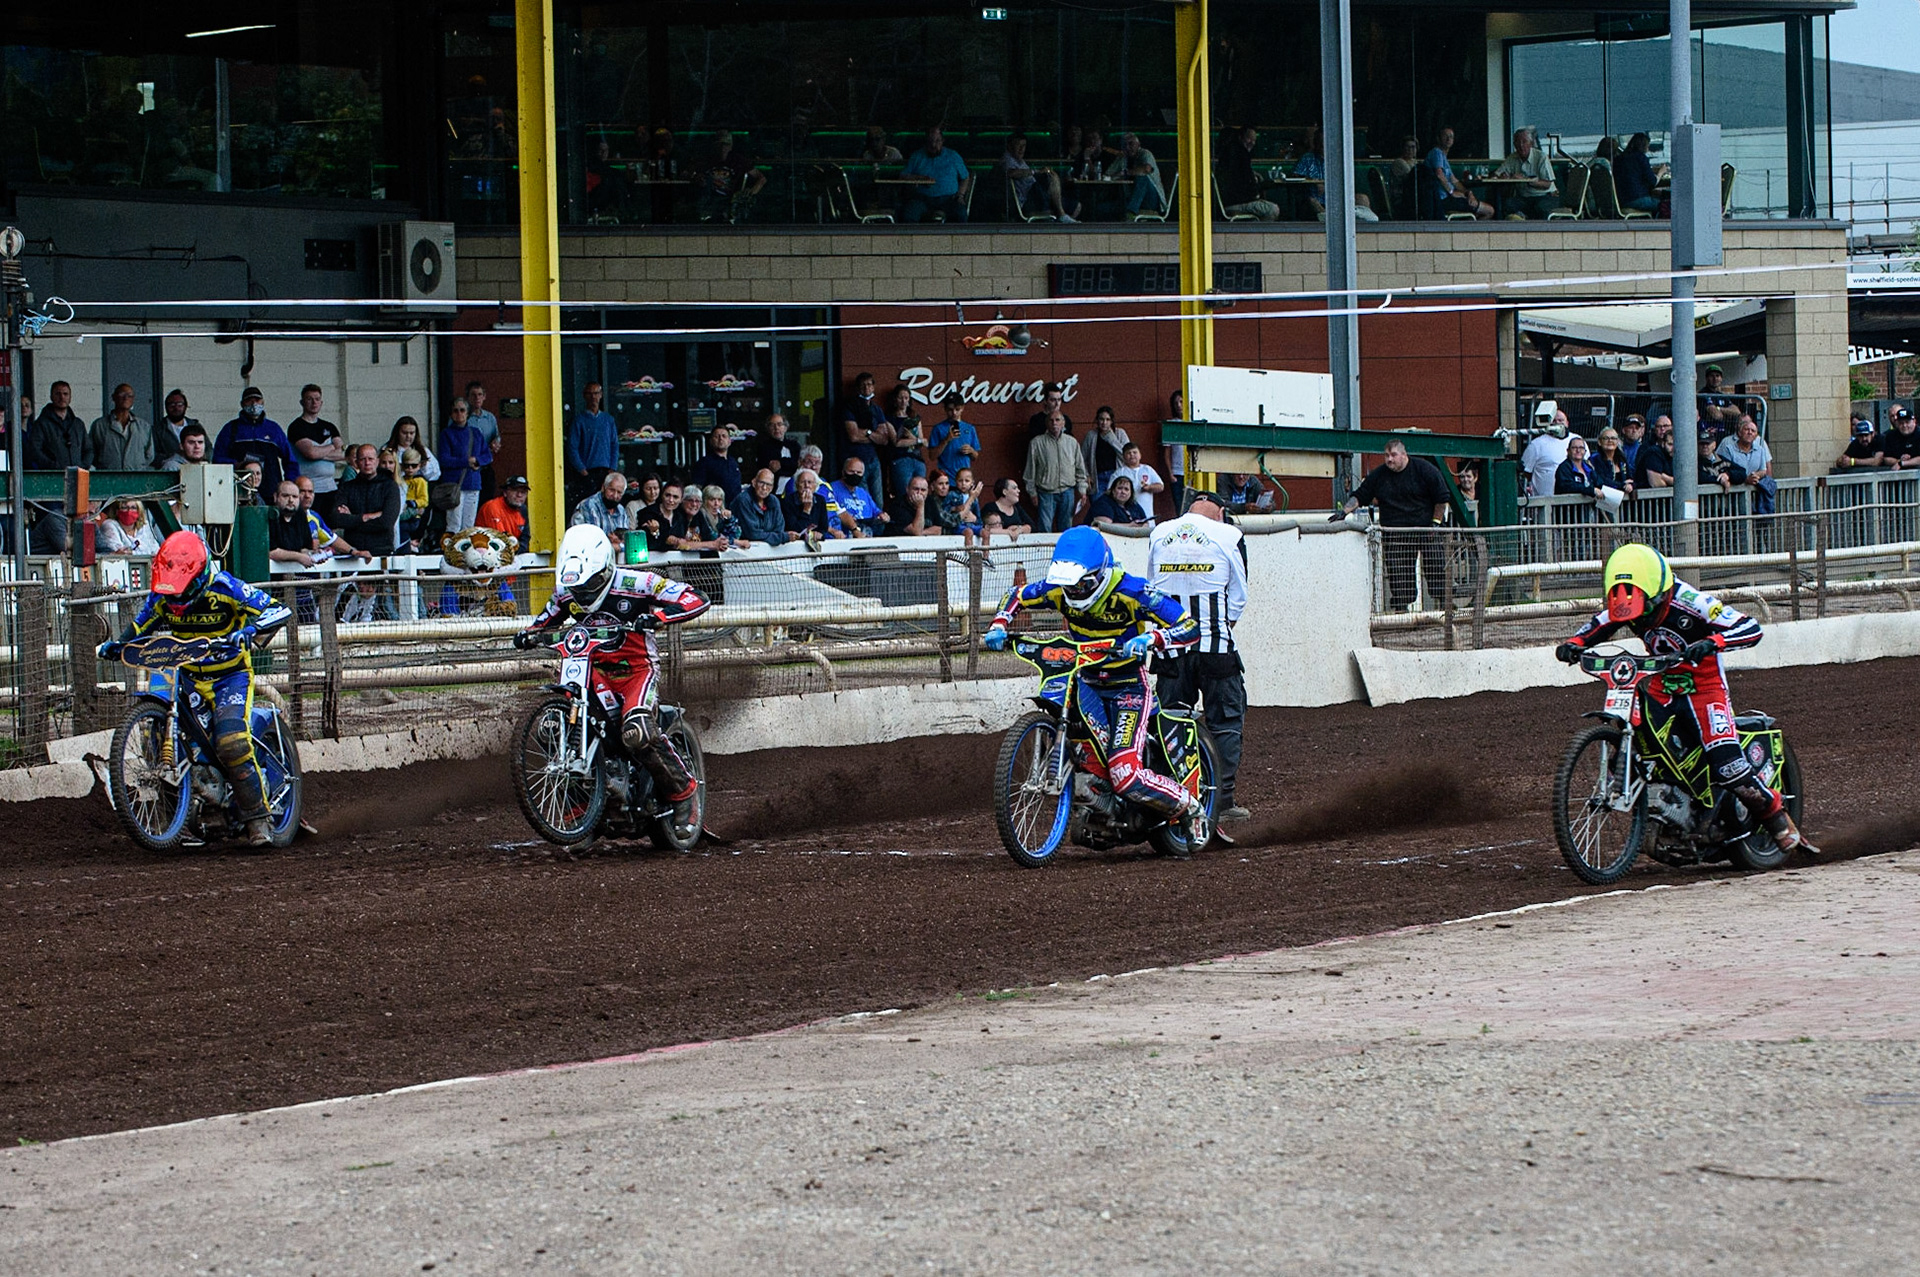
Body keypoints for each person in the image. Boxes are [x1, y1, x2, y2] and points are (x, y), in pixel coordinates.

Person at [1555, 543, 1818, 855]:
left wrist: (1712, 642)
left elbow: (1750, 627)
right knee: (1638, 734)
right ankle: (1659, 803)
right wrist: (1574, 644)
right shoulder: (1631, 601)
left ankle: (1774, 814)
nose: (1643, 617)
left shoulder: (1693, 602)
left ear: (1659, 591)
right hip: (1661, 684)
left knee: (1727, 764)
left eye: (1648, 607)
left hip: (1705, 688)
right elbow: (1599, 625)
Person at [982, 527, 1205, 845]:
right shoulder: (1058, 589)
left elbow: (1188, 625)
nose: (1073, 592)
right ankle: (1101, 806)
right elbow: (1017, 594)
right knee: (1078, 740)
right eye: (1069, 585)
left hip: (1127, 686)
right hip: (1085, 678)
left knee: (1124, 774)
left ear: (1100, 573)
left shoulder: (1132, 591)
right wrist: (1001, 622)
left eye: (1082, 584)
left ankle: (1190, 807)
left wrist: (1153, 638)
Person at [96, 531, 293, 846]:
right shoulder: (163, 596)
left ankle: (258, 818)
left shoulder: (226, 587)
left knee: (230, 741)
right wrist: (117, 644)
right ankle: (183, 820)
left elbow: (278, 609)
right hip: (184, 673)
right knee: (157, 738)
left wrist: (249, 630)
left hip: (229, 676)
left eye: (181, 592)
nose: (174, 601)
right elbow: (141, 624)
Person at [514, 525, 710, 832]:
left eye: (589, 585)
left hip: (636, 671)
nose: (582, 594)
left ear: (605, 568)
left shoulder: (638, 582)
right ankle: (584, 801)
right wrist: (527, 635)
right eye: (577, 588)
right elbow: (544, 619)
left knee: (637, 731)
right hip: (591, 669)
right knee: (552, 726)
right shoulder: (567, 592)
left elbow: (695, 598)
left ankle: (684, 793)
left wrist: (657, 617)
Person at [1149, 489, 1250, 822]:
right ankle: (1221, 801)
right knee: (1225, 722)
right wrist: (1220, 625)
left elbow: (1151, 588)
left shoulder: (1160, 533)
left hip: (1170, 649)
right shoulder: (1229, 534)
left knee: (1169, 722)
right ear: (1220, 513)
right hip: (1215, 647)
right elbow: (1239, 595)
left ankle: (1168, 798)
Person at [1335, 438, 1450, 612]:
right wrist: (1344, 512)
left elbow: (1441, 498)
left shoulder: (1425, 470)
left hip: (1426, 530)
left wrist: (1435, 524)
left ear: (1404, 455)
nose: (1389, 459)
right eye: (1386, 455)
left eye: (1393, 455)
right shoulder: (1379, 475)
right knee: (1398, 571)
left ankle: (1445, 605)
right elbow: (1361, 495)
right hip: (1395, 532)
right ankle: (1401, 610)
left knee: (1435, 565)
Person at [213, 387, 296, 494]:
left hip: (271, 491)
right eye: (249, 400)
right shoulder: (230, 429)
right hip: (239, 491)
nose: (254, 404)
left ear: (263, 402)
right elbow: (217, 459)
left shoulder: (274, 429)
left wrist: (289, 485)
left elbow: (290, 461)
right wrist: (237, 465)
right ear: (242, 404)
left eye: (257, 400)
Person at [1025, 408, 1089, 532]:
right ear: (1046, 423)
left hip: (1067, 491)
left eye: (1057, 420)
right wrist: (1032, 492)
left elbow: (1080, 469)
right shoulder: (1037, 443)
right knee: (1045, 527)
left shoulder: (1072, 442)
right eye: (1051, 420)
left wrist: (1082, 490)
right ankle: (1044, 551)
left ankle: (1064, 551)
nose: (1054, 423)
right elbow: (1030, 471)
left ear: (1063, 423)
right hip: (1046, 492)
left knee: (1066, 528)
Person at [331, 444, 402, 556]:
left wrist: (352, 518)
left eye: (370, 459)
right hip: (353, 551)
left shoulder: (390, 486)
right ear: (357, 462)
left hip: (382, 550)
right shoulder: (347, 487)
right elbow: (336, 519)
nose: (367, 463)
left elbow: (386, 522)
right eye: (363, 459)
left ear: (377, 461)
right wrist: (365, 517)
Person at [437, 398, 492, 531]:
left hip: (473, 484)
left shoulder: (476, 433)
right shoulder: (446, 434)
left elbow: (488, 456)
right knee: (454, 524)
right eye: (455, 411)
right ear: (451, 414)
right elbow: (444, 459)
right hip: (454, 485)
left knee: (469, 525)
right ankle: (453, 551)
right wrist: (466, 462)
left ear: (467, 413)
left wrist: (477, 460)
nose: (459, 414)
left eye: (462, 410)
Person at [837, 372, 892, 506]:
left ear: (873, 387)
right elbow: (854, 436)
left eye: (869, 385)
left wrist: (866, 433)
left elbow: (884, 438)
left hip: (873, 459)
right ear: (858, 388)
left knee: (878, 501)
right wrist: (873, 434)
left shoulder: (876, 409)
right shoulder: (849, 406)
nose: (866, 388)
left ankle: (878, 527)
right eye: (863, 386)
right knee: (863, 500)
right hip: (855, 460)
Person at [899, 126, 972, 223]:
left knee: (960, 214)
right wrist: (918, 178)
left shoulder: (953, 156)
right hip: (923, 198)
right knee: (909, 214)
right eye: (930, 141)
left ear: (942, 141)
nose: (933, 145)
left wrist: (960, 195)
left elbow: (965, 177)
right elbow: (903, 176)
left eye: (937, 141)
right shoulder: (917, 156)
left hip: (948, 198)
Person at [1000, 131, 1077, 222]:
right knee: (1051, 176)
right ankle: (1061, 215)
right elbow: (1011, 173)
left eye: (1024, 146)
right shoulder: (1007, 159)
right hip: (1029, 200)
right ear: (1009, 146)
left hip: (1039, 196)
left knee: (1077, 206)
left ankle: (1062, 222)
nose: (1021, 149)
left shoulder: (1020, 160)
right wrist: (1036, 172)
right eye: (1018, 145)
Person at [693, 129, 766, 224]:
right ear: (714, 146)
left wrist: (750, 192)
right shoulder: (706, 160)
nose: (723, 148)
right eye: (719, 144)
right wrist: (698, 179)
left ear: (731, 147)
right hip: (710, 204)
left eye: (726, 145)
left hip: (732, 204)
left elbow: (761, 178)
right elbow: (689, 174)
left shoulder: (739, 161)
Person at [1421, 126, 1492, 220]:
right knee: (1489, 211)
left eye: (1451, 136)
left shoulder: (1443, 157)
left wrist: (1468, 193)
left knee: (1477, 213)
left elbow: (1454, 180)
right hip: (1442, 200)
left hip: (1450, 199)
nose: (1448, 139)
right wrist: (1452, 192)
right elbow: (1439, 175)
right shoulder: (1436, 153)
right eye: (1445, 136)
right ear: (1438, 138)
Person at [287, 384, 346, 498]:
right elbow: (311, 453)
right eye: (309, 399)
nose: (314, 403)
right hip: (307, 488)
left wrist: (318, 453)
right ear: (302, 402)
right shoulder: (296, 427)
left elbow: (343, 453)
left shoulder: (329, 426)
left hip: (330, 486)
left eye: (317, 399)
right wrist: (332, 446)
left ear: (321, 403)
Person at [566, 382, 619, 506]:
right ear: (584, 396)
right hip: (587, 473)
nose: (593, 397)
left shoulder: (608, 420)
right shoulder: (579, 420)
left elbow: (614, 445)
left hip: (606, 472)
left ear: (601, 395)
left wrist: (612, 468)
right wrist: (582, 470)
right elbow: (572, 448)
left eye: (596, 393)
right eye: (589, 394)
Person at [1494, 127, 1559, 220]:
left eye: (1524, 142)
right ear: (1514, 144)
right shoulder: (1512, 158)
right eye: (1518, 142)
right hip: (1524, 198)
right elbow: (1497, 174)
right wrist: (1503, 176)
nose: (1521, 145)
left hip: (1545, 196)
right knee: (1507, 204)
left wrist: (1527, 180)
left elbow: (1547, 184)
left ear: (1531, 144)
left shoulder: (1541, 157)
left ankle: (1540, 232)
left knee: (1540, 208)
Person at [1217, 125, 1279, 221]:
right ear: (1240, 137)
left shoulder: (1227, 156)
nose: (1252, 143)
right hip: (1236, 203)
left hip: (1229, 203)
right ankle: (1260, 233)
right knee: (1272, 209)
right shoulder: (1241, 155)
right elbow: (1244, 186)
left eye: (1254, 140)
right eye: (1249, 139)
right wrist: (1261, 187)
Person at [1718, 414, 1775, 513]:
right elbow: (1723, 469)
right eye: (1746, 429)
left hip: (1754, 498)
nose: (1749, 432)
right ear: (1739, 433)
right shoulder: (1728, 447)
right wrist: (1745, 479)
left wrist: (1755, 476)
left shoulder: (1760, 449)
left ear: (1756, 436)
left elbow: (1764, 470)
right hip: (1731, 497)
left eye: (1753, 431)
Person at [91, 382, 155, 469]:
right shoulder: (100, 425)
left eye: (130, 395)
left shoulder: (144, 427)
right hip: (109, 478)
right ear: (113, 397)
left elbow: (150, 455)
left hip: (136, 478)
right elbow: (92, 452)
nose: (126, 398)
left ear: (133, 399)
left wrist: (137, 467)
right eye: (122, 394)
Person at [884, 383, 927, 499]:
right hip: (900, 459)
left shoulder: (915, 417)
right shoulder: (889, 418)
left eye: (906, 398)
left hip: (917, 459)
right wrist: (916, 440)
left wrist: (913, 439)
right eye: (900, 398)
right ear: (895, 399)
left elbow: (923, 441)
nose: (903, 401)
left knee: (921, 493)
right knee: (904, 493)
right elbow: (897, 442)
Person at [1080, 406, 1130, 497]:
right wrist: (1086, 475)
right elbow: (1082, 458)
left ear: (1111, 421)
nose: (1104, 423)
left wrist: (1112, 440)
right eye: (1101, 419)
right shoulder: (1091, 435)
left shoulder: (1120, 433)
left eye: (1107, 419)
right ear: (1097, 420)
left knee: (1115, 507)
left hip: (1116, 476)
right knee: (1099, 507)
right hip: (1097, 478)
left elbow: (1127, 456)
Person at [928, 393, 981, 481]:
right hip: (946, 478)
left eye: (957, 409)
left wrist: (971, 451)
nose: (954, 413)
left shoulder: (970, 428)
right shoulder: (938, 429)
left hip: (964, 479)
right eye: (950, 410)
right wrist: (946, 440)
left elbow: (975, 456)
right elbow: (932, 456)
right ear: (945, 409)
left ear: (962, 408)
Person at [688, 424, 744, 505]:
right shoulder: (704, 462)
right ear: (711, 441)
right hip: (715, 508)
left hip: (735, 508)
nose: (721, 438)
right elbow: (697, 488)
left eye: (724, 436)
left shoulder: (733, 461)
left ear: (729, 441)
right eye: (717, 436)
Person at [781, 468, 839, 544]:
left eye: (810, 482)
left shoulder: (820, 500)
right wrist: (806, 510)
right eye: (803, 482)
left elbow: (823, 527)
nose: (806, 485)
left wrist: (818, 534)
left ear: (815, 486)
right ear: (797, 485)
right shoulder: (787, 502)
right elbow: (794, 530)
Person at [828, 459, 885, 537]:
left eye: (859, 473)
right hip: (844, 536)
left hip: (867, 534)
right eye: (851, 471)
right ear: (843, 472)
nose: (855, 475)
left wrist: (882, 515)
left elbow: (876, 511)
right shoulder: (831, 489)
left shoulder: (863, 492)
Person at [1522, 408, 1571, 498]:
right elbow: (1525, 472)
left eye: (1560, 420)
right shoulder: (1536, 444)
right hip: (1545, 501)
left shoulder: (1577, 441)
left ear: (1567, 423)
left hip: (1572, 502)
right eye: (1553, 421)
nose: (1557, 423)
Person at [732, 469, 787, 547]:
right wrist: (780, 538)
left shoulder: (774, 501)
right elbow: (753, 534)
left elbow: (779, 529)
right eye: (761, 483)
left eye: (768, 485)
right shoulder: (743, 500)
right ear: (754, 482)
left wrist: (776, 537)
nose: (764, 488)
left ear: (772, 487)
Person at [1113, 441, 1165, 523]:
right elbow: (1110, 491)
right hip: (1127, 516)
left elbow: (1161, 486)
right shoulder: (1119, 473)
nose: (1132, 455)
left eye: (1134, 452)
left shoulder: (1148, 469)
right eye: (1129, 453)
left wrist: (1149, 487)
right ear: (1123, 457)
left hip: (1147, 515)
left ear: (1140, 455)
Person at [682, 485, 740, 556]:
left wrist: (729, 520)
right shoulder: (700, 514)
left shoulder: (721, 516)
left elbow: (737, 533)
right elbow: (712, 537)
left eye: (719, 500)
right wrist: (736, 542)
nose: (716, 504)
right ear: (704, 501)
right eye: (712, 500)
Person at [571, 470, 632, 535]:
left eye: (619, 492)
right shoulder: (588, 505)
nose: (615, 496)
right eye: (612, 490)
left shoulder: (621, 510)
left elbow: (624, 538)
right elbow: (592, 538)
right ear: (603, 487)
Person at [477, 474, 531, 547]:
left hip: (511, 551)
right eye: (515, 490)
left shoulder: (523, 510)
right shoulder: (493, 507)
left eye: (523, 492)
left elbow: (525, 538)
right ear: (505, 493)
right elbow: (499, 539)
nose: (519, 495)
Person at [95, 497, 162, 555]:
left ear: (139, 511)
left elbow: (156, 551)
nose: (129, 511)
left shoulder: (145, 526)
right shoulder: (109, 525)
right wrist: (144, 552)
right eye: (124, 508)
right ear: (117, 511)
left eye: (133, 508)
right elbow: (119, 553)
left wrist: (133, 553)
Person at [153, 389, 200, 471]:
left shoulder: (195, 425)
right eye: (172, 405)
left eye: (180, 404)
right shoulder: (158, 429)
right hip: (170, 469)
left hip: (196, 468)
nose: (176, 408)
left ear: (185, 406)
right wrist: (173, 457)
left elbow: (209, 449)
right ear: (166, 407)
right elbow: (152, 454)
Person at [386, 417, 442, 481]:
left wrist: (423, 467)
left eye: (411, 433)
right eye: (404, 433)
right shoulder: (387, 449)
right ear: (397, 433)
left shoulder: (423, 450)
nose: (408, 436)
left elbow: (435, 474)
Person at [1615, 132, 1660, 214]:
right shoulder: (1641, 158)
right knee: (1664, 204)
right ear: (1644, 146)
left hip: (1621, 200)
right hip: (1637, 199)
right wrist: (1661, 172)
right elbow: (1653, 182)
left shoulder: (1619, 159)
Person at [751, 413, 797, 480]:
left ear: (785, 428)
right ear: (768, 428)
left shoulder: (794, 446)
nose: (776, 428)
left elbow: (796, 464)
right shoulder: (763, 447)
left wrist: (781, 463)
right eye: (772, 425)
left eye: (779, 424)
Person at [1591, 427, 1635, 497]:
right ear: (1599, 442)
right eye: (1606, 438)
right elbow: (1601, 480)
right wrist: (1622, 485)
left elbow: (1630, 478)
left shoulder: (1622, 459)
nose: (1610, 441)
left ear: (1618, 442)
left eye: (1613, 438)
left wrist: (1630, 485)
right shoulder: (1595, 459)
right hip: (1602, 500)